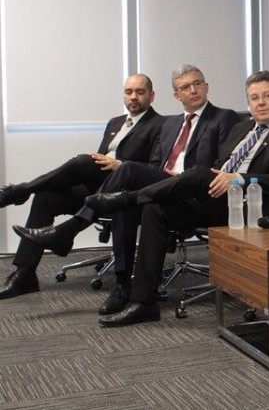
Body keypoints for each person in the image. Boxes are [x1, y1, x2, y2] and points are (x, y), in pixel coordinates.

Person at [86, 70, 269, 327]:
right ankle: (144, 302)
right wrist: (211, 178)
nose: (260, 103)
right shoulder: (242, 128)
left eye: (267, 96)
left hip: (249, 204)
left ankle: (129, 198)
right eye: (254, 98)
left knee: (198, 172)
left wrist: (238, 178)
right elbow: (219, 165)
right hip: (214, 198)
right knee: (155, 208)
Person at [15, 64, 240, 314]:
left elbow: (222, 164)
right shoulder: (171, 124)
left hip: (192, 188)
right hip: (159, 183)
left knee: (124, 175)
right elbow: (156, 165)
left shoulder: (223, 117)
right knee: (107, 195)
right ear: (177, 95)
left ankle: (68, 229)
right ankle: (113, 285)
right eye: (185, 87)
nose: (193, 90)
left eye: (197, 84)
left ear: (206, 86)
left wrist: (166, 176)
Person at [0, 74, 164, 300]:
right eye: (128, 92)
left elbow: (155, 169)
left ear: (152, 96)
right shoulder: (115, 123)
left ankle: (19, 191)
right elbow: (99, 160)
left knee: (83, 161)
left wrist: (120, 165)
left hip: (128, 191)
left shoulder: (161, 124)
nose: (133, 97)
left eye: (140, 92)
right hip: (100, 187)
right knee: (46, 195)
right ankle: (24, 275)